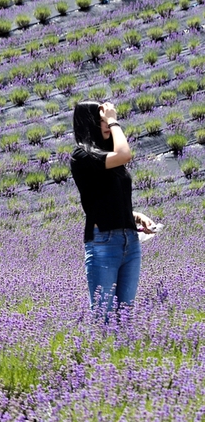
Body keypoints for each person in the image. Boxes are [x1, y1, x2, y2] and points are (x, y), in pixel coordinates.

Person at [70, 101, 157, 315]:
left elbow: (107, 197)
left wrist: (135, 216)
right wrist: (114, 120)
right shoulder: (81, 156)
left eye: (106, 120)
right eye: (101, 121)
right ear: (89, 123)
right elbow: (125, 154)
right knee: (104, 316)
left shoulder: (110, 160)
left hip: (130, 241)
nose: (107, 124)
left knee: (125, 314)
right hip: (104, 243)